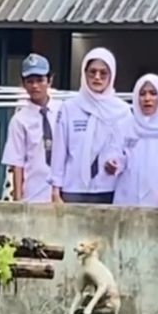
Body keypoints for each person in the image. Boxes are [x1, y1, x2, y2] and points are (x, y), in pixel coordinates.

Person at [48, 48, 131, 205]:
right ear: (84, 73)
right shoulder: (69, 108)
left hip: (110, 187)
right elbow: (59, 151)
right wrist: (55, 189)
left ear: (111, 75)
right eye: (92, 72)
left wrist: (118, 164)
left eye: (103, 73)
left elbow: (129, 150)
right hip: (74, 188)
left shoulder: (122, 111)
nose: (97, 77)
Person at [113, 74, 158, 207]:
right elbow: (116, 158)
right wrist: (114, 163)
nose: (147, 99)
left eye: (153, 93)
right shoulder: (124, 127)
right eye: (142, 94)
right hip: (127, 202)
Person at [1, 53, 59, 204]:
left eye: (40, 80)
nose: (35, 86)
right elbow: (17, 162)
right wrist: (18, 199)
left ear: (50, 80)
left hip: (62, 193)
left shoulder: (63, 112)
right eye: (30, 81)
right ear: (23, 84)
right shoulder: (20, 119)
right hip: (33, 193)